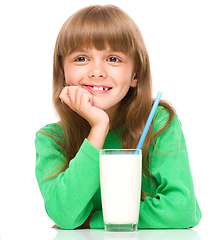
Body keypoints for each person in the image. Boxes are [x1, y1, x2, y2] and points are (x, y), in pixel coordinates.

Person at [35, 5, 202, 230]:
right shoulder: (52, 140)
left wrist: (93, 220)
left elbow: (182, 211)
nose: (97, 71)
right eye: (82, 58)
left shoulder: (159, 124)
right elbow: (64, 214)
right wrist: (99, 127)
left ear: (135, 74)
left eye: (113, 59)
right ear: (62, 72)